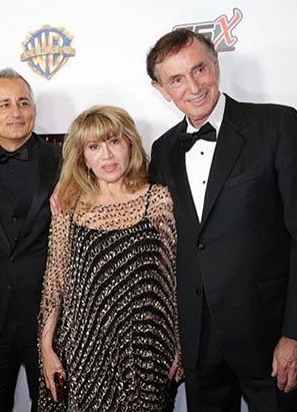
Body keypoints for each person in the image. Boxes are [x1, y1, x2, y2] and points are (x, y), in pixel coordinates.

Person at [146, 29, 297, 411]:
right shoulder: (163, 150)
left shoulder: (276, 125)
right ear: (161, 89)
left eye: (199, 69)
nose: (193, 87)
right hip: (199, 345)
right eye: (176, 79)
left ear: (216, 65)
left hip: (271, 338)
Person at [39, 105, 180, 411]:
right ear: (83, 157)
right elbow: (55, 282)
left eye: (114, 141)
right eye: (94, 147)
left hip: (147, 348)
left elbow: (173, 279)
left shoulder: (158, 199)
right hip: (86, 348)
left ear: (130, 144)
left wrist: (180, 345)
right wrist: (46, 348)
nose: (107, 155)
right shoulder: (69, 205)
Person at [0, 68, 61, 411]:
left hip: (49, 321)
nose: (16, 112)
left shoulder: (63, 160)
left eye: (23, 102)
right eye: (4, 104)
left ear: (34, 108)